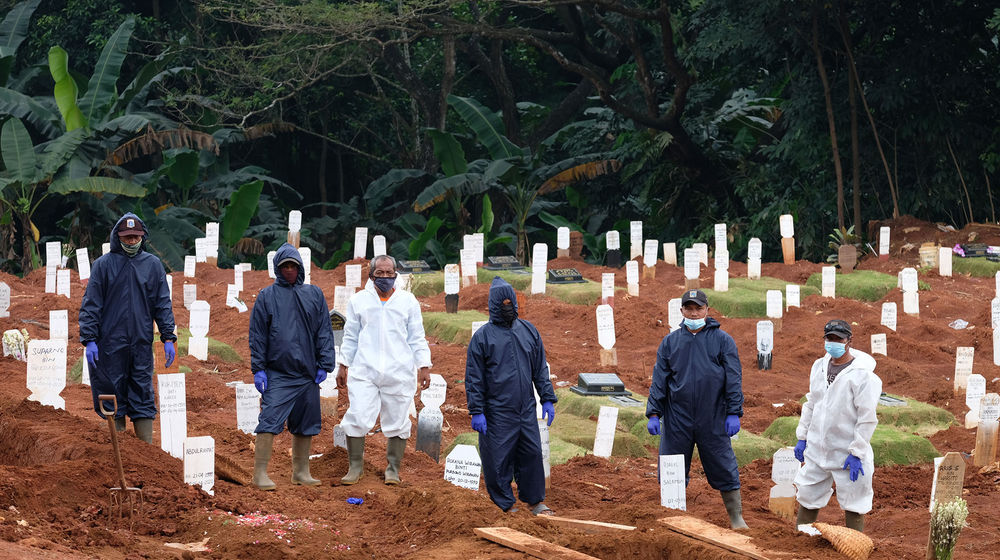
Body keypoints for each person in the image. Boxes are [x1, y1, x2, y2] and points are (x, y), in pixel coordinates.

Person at [645, 289, 747, 529]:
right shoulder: (671, 342)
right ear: (681, 311)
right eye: (689, 309)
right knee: (672, 465)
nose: (693, 313)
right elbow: (660, 379)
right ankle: (673, 514)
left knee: (723, 462)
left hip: (712, 414)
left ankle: (736, 517)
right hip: (677, 416)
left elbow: (733, 378)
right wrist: (653, 412)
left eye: (698, 308)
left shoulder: (722, 340)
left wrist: (733, 411)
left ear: (707, 310)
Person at [79, 213, 176, 444]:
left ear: (142, 237)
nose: (132, 241)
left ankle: (145, 450)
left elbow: (162, 303)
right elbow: (91, 303)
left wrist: (168, 337)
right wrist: (89, 338)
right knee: (113, 392)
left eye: (135, 237)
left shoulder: (152, 265)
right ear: (117, 237)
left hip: (141, 342)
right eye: (127, 237)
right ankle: (120, 450)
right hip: (110, 344)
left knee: (142, 390)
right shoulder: (103, 266)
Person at [337, 255, 432, 485]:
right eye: (380, 273)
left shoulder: (407, 301)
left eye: (390, 273)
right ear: (371, 275)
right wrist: (343, 365)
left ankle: (393, 469)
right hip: (365, 369)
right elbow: (350, 337)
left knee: (398, 419)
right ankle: (355, 467)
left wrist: (424, 366)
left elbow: (417, 337)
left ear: (396, 274)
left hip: (398, 369)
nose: (386, 277)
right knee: (358, 415)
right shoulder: (359, 301)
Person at [466, 277, 556, 515]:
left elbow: (540, 368)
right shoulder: (482, 338)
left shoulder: (528, 331)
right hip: (496, 411)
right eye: (502, 302)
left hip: (526, 407)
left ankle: (535, 501)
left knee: (532, 454)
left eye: (510, 301)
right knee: (498, 459)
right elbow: (474, 377)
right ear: (493, 304)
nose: (507, 306)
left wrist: (546, 398)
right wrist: (477, 411)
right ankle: (505, 503)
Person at [249, 243, 337, 490]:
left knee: (305, 423)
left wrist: (325, 364)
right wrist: (259, 369)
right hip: (278, 372)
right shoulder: (267, 296)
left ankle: (301, 472)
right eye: (285, 266)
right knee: (269, 419)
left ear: (301, 269)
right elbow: (258, 335)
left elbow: (323, 331)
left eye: (293, 266)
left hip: (308, 373)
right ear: (277, 269)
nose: (289, 270)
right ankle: (260, 474)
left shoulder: (314, 294)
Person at [793, 319, 881, 533]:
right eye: (829, 338)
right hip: (817, 446)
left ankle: (854, 543)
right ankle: (801, 539)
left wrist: (857, 451)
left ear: (849, 340)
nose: (833, 343)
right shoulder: (819, 367)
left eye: (838, 339)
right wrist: (803, 437)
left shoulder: (863, 376)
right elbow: (811, 403)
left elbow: (866, 417)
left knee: (854, 498)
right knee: (808, 492)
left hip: (846, 449)